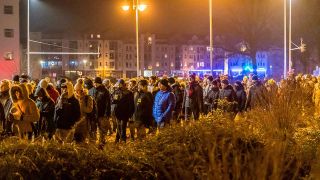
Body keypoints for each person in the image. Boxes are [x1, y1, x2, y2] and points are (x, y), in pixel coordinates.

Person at [91, 77, 112, 144]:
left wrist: (107, 114)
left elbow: (108, 103)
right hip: (94, 114)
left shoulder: (105, 91)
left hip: (102, 114)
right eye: (94, 83)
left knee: (102, 129)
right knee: (94, 129)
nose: (95, 84)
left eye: (96, 83)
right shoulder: (93, 90)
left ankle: (102, 142)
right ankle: (93, 142)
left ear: (99, 83)